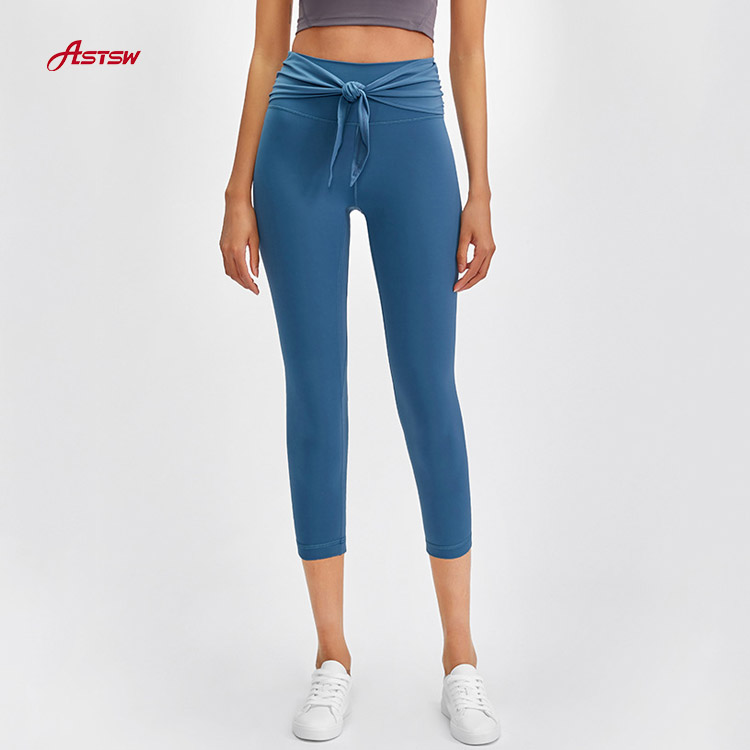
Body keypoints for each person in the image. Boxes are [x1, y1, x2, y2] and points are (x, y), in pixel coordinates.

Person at [219, 0, 499, 744]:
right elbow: (266, 47)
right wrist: (236, 190)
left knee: (429, 394)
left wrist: (480, 188)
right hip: (299, 125)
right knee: (315, 395)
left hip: (412, 126)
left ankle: (460, 657)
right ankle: (332, 654)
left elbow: (468, 51)